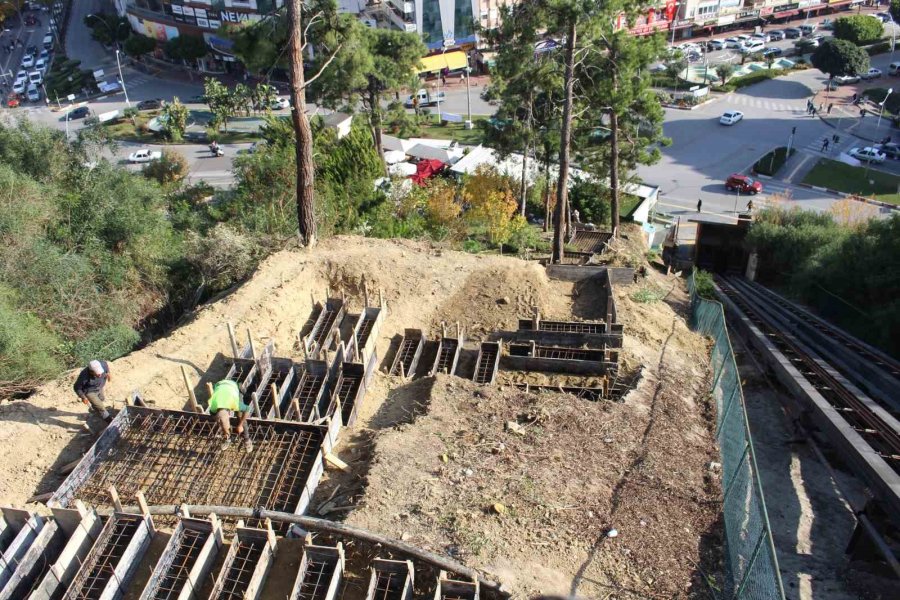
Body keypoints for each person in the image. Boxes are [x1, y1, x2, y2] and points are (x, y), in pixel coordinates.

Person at [207, 379, 253, 452]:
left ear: (228, 414)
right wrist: (224, 429)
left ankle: (247, 440)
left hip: (233, 387)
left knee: (240, 416)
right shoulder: (213, 408)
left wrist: (240, 425)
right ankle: (227, 438)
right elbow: (218, 419)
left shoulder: (233, 403)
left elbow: (247, 409)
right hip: (220, 385)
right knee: (223, 423)